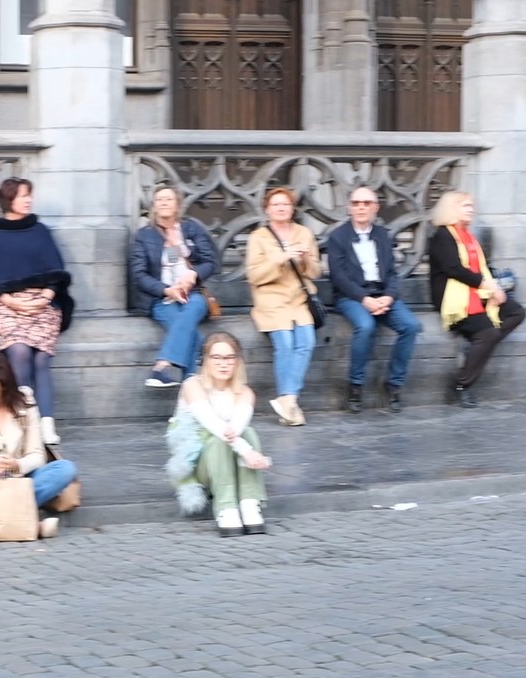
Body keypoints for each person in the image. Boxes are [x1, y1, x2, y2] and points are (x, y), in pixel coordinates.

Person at [0, 178, 75, 445]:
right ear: (9, 199)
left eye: (29, 195)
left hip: (42, 303)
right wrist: (12, 302)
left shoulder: (40, 230)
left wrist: (46, 296)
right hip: (3, 304)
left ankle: (46, 422)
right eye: (23, 196)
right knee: (19, 350)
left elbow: (56, 272)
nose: (28, 200)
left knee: (41, 359)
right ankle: (24, 418)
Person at [0, 351, 77, 539]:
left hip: (20, 479)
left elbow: (37, 455)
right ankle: (32, 524)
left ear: (3, 386)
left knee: (65, 468)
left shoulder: (25, 403)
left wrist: (16, 464)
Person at [165, 331, 272, 537]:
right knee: (217, 440)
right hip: (201, 469)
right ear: (205, 360)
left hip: (231, 459)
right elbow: (213, 424)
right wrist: (248, 452)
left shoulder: (245, 392)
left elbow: (237, 428)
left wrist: (246, 448)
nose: (223, 364)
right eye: (216, 358)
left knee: (247, 432)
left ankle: (249, 503)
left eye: (229, 358)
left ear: (238, 361)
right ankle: (226, 507)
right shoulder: (192, 386)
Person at [428, 191, 526, 408]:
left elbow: (482, 267)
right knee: (488, 333)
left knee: (516, 312)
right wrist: (489, 288)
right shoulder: (442, 236)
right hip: (453, 297)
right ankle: (461, 385)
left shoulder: (468, 236)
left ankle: (479, 344)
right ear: (451, 209)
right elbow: (454, 269)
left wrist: (495, 287)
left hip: (477, 291)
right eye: (465, 205)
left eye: (471, 205)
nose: (471, 209)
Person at [327, 187, 422, 413]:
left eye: (367, 203)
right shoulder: (338, 237)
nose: (361, 207)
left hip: (383, 294)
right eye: (357, 203)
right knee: (366, 325)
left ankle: (394, 384)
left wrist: (389, 296)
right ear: (349, 207)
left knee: (411, 326)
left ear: (375, 208)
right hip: (352, 296)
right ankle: (356, 386)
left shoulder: (382, 234)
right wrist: (364, 299)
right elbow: (338, 276)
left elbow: (391, 273)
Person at [244, 187, 321, 427]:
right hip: (271, 300)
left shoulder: (304, 233)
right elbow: (254, 275)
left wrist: (305, 259)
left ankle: (288, 398)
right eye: (275, 204)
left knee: (306, 342)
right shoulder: (259, 237)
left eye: (285, 204)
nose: (281, 208)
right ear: (267, 210)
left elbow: (317, 272)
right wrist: (281, 258)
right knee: (285, 344)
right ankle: (289, 404)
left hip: (299, 300)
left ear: (292, 208)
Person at [129, 185, 219, 388]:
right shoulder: (145, 235)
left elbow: (210, 262)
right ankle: (190, 402)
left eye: (169, 199)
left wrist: (192, 274)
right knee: (193, 337)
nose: (164, 203)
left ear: (177, 204)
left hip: (193, 293)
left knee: (193, 307)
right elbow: (139, 275)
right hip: (162, 298)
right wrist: (166, 290)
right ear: (153, 206)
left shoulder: (191, 228)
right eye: (159, 199)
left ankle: (162, 365)